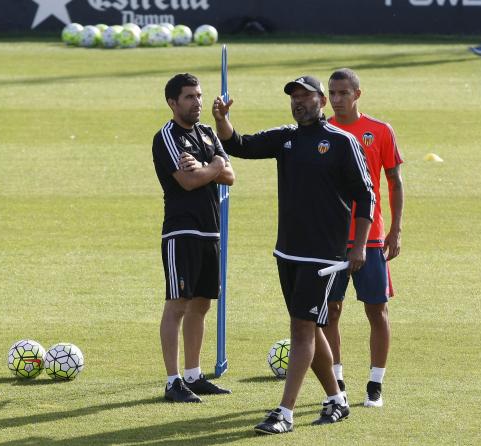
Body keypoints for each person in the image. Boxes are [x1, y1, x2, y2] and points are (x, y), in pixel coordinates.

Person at [212, 75, 375, 433]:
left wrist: (359, 245)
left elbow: (366, 196)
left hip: (323, 256)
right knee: (311, 327)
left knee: (301, 328)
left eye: (306, 96)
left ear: (322, 101)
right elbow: (239, 145)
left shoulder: (342, 142)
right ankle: (337, 399)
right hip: (287, 251)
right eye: (294, 97)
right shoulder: (286, 137)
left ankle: (284, 413)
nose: (298, 102)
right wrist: (222, 119)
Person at [152, 73, 235, 403]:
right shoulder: (167, 136)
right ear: (173, 103)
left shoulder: (207, 132)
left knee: (201, 304)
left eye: (199, 96)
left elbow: (230, 175)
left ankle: (193, 375)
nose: (197, 102)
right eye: (189, 97)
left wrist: (207, 166)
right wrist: (213, 164)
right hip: (181, 231)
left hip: (210, 230)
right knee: (177, 305)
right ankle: (173, 381)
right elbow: (187, 182)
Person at [324, 68, 404, 408]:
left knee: (377, 311)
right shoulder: (321, 131)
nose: (337, 99)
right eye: (333, 93)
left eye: (344, 93)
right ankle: (337, 380)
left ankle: (375, 384)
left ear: (358, 94)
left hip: (371, 237)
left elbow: (395, 182)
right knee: (330, 311)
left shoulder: (380, 131)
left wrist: (395, 229)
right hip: (330, 238)